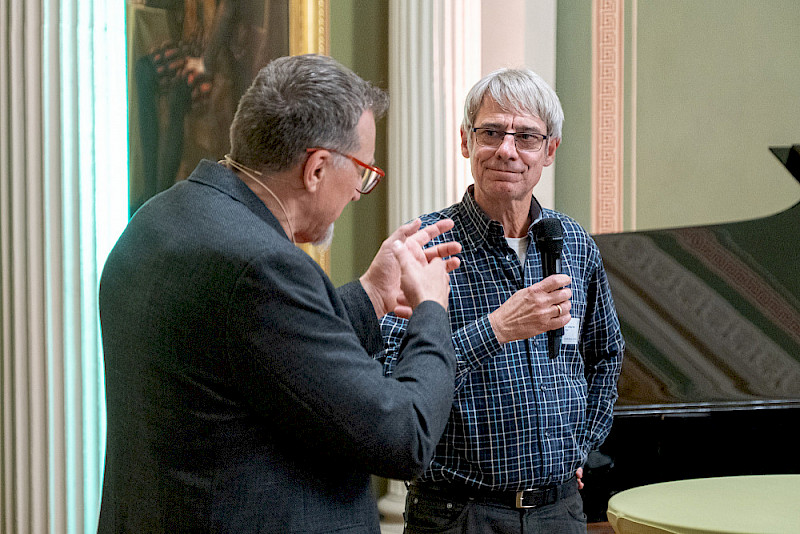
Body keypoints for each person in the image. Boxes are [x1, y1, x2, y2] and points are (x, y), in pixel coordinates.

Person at [98, 53, 463, 533]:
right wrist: (431, 309)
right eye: (362, 171)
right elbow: (403, 438)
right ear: (316, 169)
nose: (358, 192)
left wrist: (372, 295)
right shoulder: (262, 268)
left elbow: (266, 354)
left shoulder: (159, 217)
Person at [379, 68, 625, 533]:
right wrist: (497, 329)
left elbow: (606, 355)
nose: (507, 151)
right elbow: (391, 380)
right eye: (491, 133)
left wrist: (579, 447)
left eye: (526, 137)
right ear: (465, 141)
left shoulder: (573, 243)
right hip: (459, 513)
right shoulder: (424, 246)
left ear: (549, 151)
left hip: (559, 511)